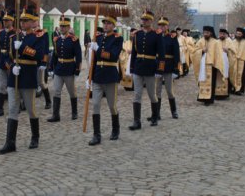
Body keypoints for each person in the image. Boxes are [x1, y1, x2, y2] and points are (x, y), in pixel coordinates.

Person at [0, 7, 43, 154]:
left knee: (31, 109)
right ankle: (10, 142)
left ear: (32, 22)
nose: (22, 23)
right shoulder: (13, 38)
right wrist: (11, 66)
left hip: (28, 77)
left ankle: (35, 137)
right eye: (21, 21)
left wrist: (22, 47)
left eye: (25, 21)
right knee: (12, 109)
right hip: (14, 77)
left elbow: (39, 55)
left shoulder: (37, 37)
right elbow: (6, 56)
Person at [87, 15, 123, 145]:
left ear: (113, 26)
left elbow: (113, 56)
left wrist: (98, 50)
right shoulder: (98, 38)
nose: (106, 25)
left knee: (111, 106)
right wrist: (89, 77)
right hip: (97, 76)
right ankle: (96, 135)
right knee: (95, 105)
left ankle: (115, 129)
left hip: (110, 76)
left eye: (108, 23)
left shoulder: (118, 39)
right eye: (104, 23)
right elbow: (93, 61)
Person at [128, 10, 162, 130]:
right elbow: (134, 53)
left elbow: (161, 54)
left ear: (151, 21)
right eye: (143, 19)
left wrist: (159, 70)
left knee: (152, 94)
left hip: (150, 68)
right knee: (137, 94)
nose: (144, 21)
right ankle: (137, 121)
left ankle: (154, 116)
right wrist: (131, 68)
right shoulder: (137, 34)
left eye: (146, 19)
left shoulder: (156, 35)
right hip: (138, 67)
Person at [47, 17, 82, 123]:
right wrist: (51, 67)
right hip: (58, 69)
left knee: (72, 92)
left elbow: (79, 56)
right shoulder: (56, 39)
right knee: (56, 92)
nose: (62, 28)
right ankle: (55, 115)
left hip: (69, 69)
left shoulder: (74, 40)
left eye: (64, 26)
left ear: (68, 27)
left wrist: (77, 70)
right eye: (61, 26)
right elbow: (55, 55)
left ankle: (74, 112)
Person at [192, 26, 226, 105]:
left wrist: (217, 64)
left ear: (211, 33)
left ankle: (210, 99)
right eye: (204, 33)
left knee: (211, 83)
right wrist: (202, 51)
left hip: (212, 66)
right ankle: (202, 97)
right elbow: (194, 52)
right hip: (203, 65)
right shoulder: (200, 41)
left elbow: (218, 54)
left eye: (207, 33)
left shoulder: (216, 42)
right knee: (202, 81)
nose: (205, 34)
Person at [154, 18, 180, 120]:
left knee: (169, 90)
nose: (162, 27)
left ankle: (174, 111)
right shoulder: (156, 36)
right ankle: (157, 113)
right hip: (158, 67)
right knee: (157, 91)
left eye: (164, 25)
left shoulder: (172, 37)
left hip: (169, 67)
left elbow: (177, 55)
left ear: (167, 27)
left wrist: (176, 69)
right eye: (160, 25)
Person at [0, 11, 15, 117]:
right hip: (2, 62)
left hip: (11, 62)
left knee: (13, 86)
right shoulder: (0, 33)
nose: (5, 22)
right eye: (4, 20)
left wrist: (12, 62)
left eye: (7, 20)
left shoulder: (15, 33)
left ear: (12, 21)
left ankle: (17, 105)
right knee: (2, 86)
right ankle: (0, 109)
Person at [231, 28, 245, 95]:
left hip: (243, 62)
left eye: (239, 34)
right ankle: (234, 88)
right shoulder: (233, 41)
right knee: (234, 75)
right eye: (237, 34)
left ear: (242, 35)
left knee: (242, 76)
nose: (238, 35)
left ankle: (240, 90)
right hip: (234, 61)